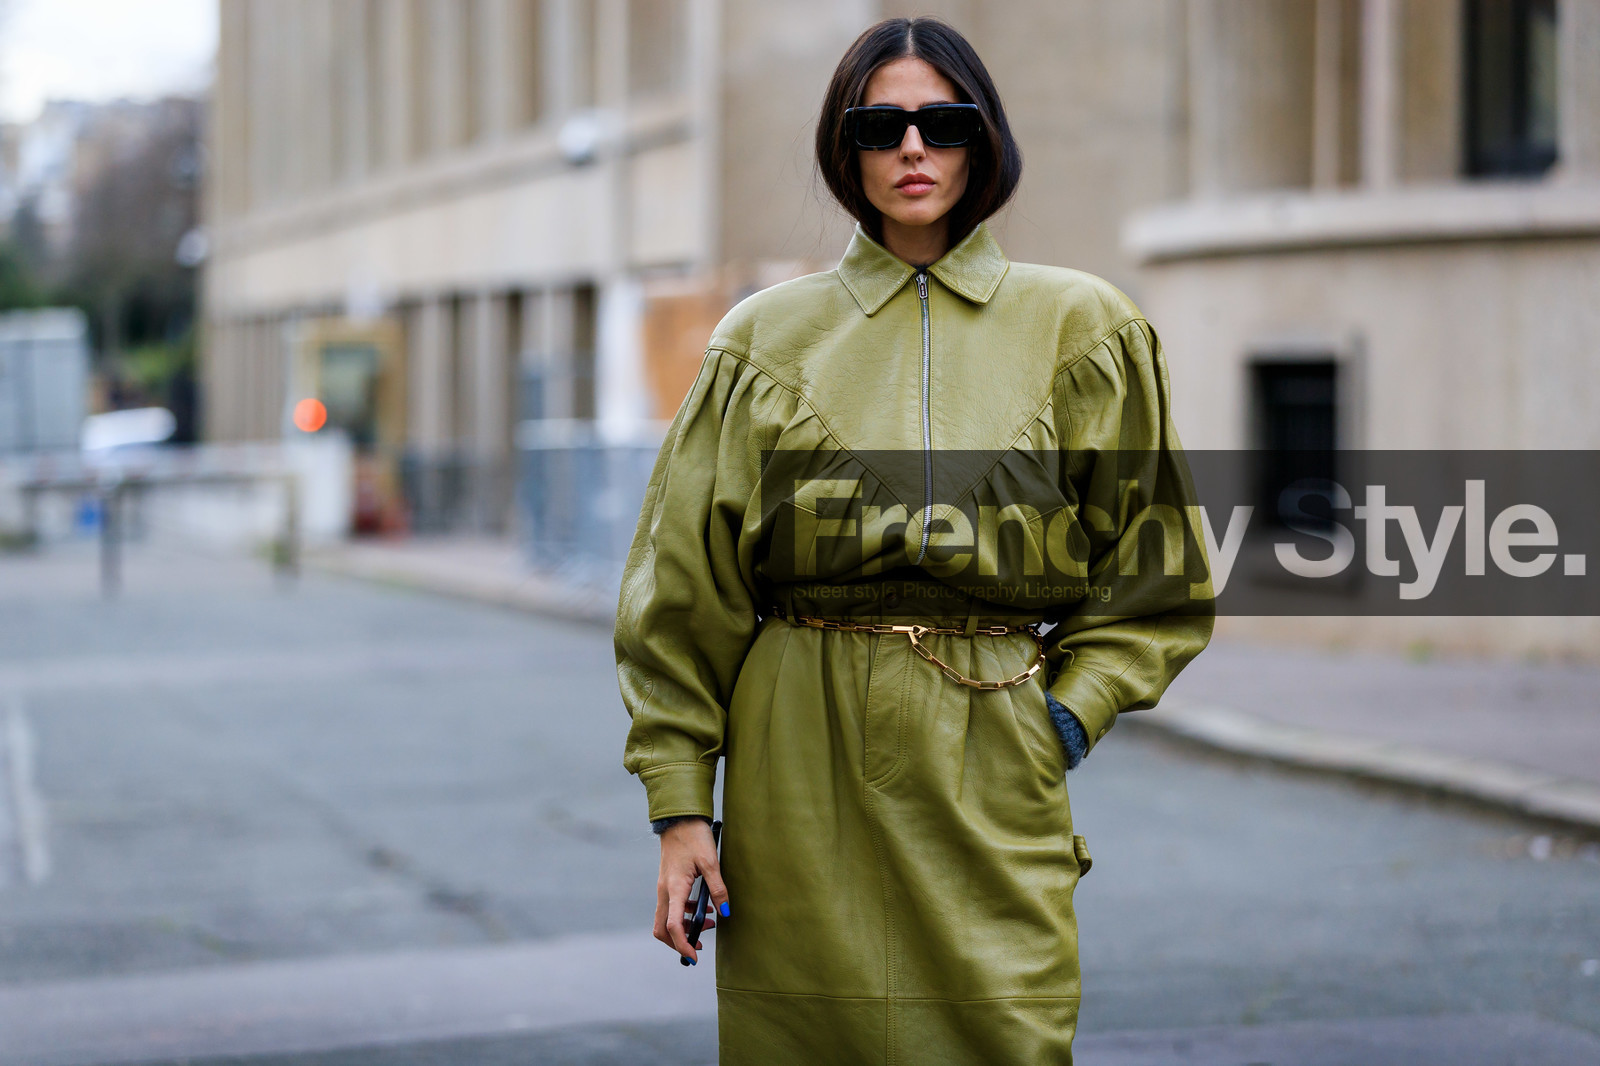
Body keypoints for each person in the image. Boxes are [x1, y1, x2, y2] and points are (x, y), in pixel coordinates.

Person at [614, 16, 1214, 1064]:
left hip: (992, 749)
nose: (911, 148)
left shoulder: (1087, 328)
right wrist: (681, 810)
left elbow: (1156, 578)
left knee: (1009, 1033)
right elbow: (682, 589)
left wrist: (1058, 723)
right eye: (878, 125)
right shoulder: (762, 338)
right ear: (843, 148)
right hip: (795, 758)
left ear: (982, 139)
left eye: (942, 121)